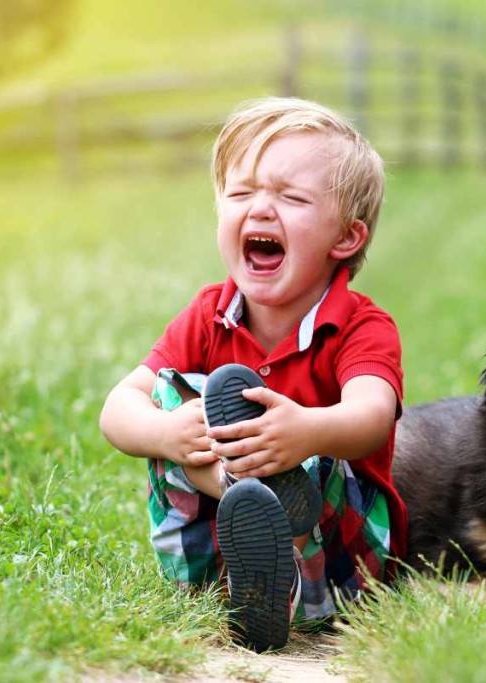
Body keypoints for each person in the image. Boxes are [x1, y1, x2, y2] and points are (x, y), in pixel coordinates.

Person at [99, 97, 406, 652]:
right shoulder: (207, 313)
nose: (261, 210)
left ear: (346, 238)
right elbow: (118, 407)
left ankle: (280, 503)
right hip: (209, 575)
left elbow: (372, 417)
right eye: (242, 193)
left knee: (314, 454)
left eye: (291, 197)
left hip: (339, 572)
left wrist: (306, 432)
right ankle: (239, 580)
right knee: (169, 399)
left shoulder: (361, 325)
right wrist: (169, 435)